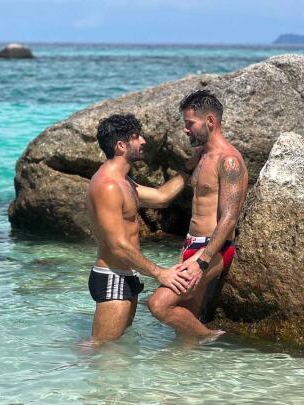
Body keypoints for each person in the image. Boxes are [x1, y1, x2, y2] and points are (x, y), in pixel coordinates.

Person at [87, 113, 203, 344]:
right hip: (113, 276)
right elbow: (117, 246)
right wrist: (161, 273)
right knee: (101, 349)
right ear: (121, 146)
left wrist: (192, 163)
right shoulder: (108, 186)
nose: (143, 141)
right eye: (136, 137)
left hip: (127, 274)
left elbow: (161, 197)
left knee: (117, 349)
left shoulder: (124, 181)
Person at [148, 90, 248, 339]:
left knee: (158, 304)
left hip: (213, 249)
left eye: (190, 123)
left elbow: (229, 218)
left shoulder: (229, 161)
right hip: (191, 245)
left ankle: (210, 337)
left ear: (210, 122)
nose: (186, 129)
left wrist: (202, 262)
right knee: (185, 329)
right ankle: (192, 372)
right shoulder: (202, 156)